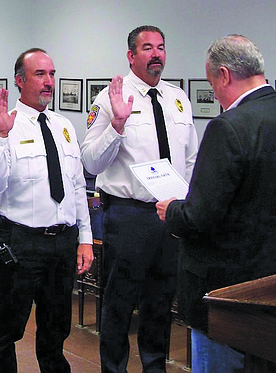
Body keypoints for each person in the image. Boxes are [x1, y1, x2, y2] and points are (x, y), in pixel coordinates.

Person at [156, 34, 276, 372]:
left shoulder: (228, 127)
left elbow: (199, 217)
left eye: (211, 83)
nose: (214, 93)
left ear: (224, 75)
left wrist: (171, 209)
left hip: (228, 298)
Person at [80, 25, 198, 372]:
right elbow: (90, 161)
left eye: (161, 47)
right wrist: (117, 125)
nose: (157, 54)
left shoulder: (178, 98)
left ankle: (154, 367)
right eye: (147, 48)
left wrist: (185, 204)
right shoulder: (110, 98)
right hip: (129, 215)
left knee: (160, 303)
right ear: (131, 56)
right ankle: (113, 368)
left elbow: (189, 158)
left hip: (170, 216)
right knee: (118, 303)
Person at [0, 48, 93, 373]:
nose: (49, 82)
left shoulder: (64, 126)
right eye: (40, 74)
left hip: (62, 244)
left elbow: (75, 187)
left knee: (56, 330)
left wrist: (84, 238)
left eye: (52, 74)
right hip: (21, 244)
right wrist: (0, 136)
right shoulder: (4, 127)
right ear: (20, 80)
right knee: (7, 330)